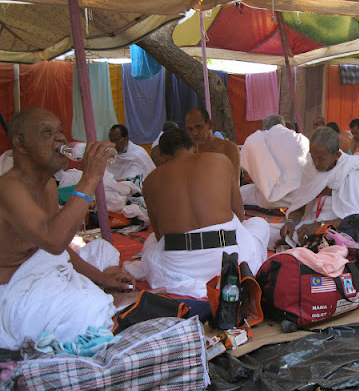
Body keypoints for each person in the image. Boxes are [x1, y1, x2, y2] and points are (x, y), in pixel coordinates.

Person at [0, 108, 138, 350]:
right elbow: (53, 242)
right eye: (47, 133)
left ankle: (99, 300)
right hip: (17, 295)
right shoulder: (8, 188)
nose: (61, 138)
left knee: (103, 250)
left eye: (60, 131)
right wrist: (90, 178)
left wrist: (102, 278)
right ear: (21, 144)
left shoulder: (47, 187)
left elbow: (58, 247)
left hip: (48, 277)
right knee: (88, 309)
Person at [141, 128, 269, 298]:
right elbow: (239, 214)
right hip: (228, 258)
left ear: (163, 157)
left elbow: (159, 236)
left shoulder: (150, 181)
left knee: (150, 242)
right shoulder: (220, 160)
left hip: (178, 266)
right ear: (194, 147)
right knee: (259, 224)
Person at [280, 127, 359, 245]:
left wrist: (321, 226)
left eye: (320, 159)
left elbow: (357, 219)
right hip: (309, 223)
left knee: (336, 245)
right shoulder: (310, 167)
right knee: (273, 232)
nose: (315, 162)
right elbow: (301, 205)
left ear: (336, 155)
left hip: (340, 230)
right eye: (313, 156)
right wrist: (291, 222)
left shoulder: (352, 170)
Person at [240, 114, 309, 209]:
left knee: (241, 192)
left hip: (271, 200)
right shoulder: (301, 138)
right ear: (283, 125)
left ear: (265, 128)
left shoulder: (259, 138)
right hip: (299, 198)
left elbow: (246, 173)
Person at [185, 107, 241, 183]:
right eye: (190, 129)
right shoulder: (187, 152)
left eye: (198, 127)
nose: (194, 133)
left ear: (210, 125)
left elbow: (235, 184)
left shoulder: (229, 148)